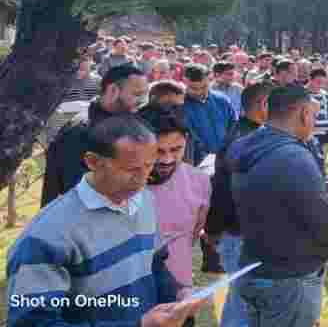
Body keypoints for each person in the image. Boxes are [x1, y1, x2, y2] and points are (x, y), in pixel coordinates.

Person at [7, 115, 209, 327]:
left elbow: (155, 263)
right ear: (93, 162)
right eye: (131, 169)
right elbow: (31, 323)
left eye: (149, 166)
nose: (142, 180)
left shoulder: (144, 201)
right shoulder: (46, 236)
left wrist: (177, 297)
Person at [231, 84, 328, 325]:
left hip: (255, 264)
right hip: (290, 276)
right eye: (314, 115)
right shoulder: (294, 156)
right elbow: (323, 220)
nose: (314, 122)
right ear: (304, 114)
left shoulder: (244, 144)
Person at [204, 81, 271, 327]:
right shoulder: (245, 140)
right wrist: (213, 230)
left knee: (247, 299)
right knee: (242, 302)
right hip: (240, 234)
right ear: (264, 104)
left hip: (246, 233)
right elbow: (222, 190)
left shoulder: (253, 133)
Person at [40, 63, 148, 208]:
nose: (142, 101)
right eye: (137, 94)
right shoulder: (79, 132)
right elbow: (77, 194)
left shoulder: (130, 123)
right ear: (113, 90)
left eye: (144, 95)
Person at [141, 106, 211, 294]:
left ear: (186, 141)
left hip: (180, 291)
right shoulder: (120, 187)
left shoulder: (200, 181)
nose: (167, 160)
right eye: (158, 151)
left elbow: (193, 234)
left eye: (176, 149)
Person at [181, 63, 237, 166]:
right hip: (197, 164)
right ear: (184, 81)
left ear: (210, 80)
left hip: (226, 160)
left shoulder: (222, 100)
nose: (199, 92)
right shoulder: (180, 106)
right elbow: (189, 139)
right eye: (193, 88)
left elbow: (234, 127)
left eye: (204, 87)